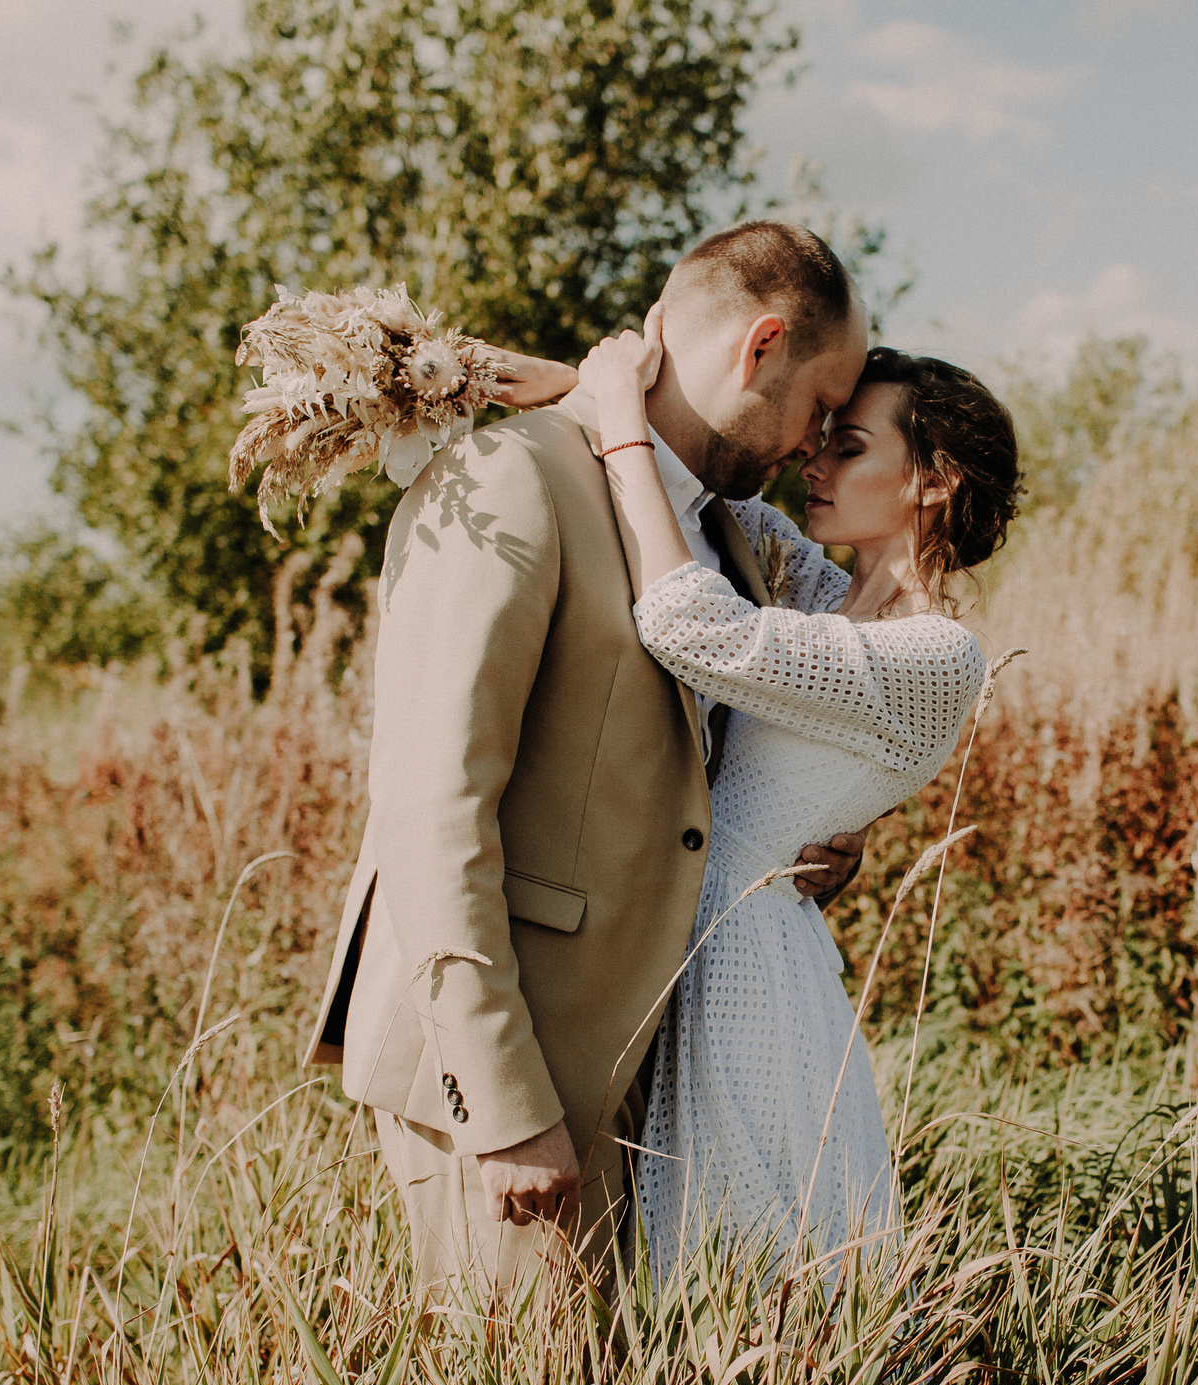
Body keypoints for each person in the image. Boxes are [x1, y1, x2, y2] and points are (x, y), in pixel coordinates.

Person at [304, 221, 872, 1302]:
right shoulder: (508, 475)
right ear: (757, 349)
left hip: (651, 1064)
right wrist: (503, 1099)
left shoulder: (727, 532)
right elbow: (431, 803)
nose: (819, 441)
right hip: (518, 1064)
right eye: (823, 405)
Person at [572, 322, 1020, 1274]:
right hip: (707, 929)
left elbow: (689, 621)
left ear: (932, 480)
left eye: (848, 446)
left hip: (751, 973)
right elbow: (691, 485)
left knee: (743, 1267)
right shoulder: (816, 591)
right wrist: (473, 372)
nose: (812, 461)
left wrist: (616, 418)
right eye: (822, 437)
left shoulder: (938, 654)